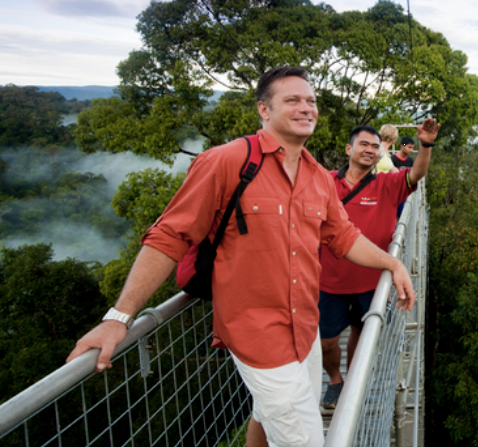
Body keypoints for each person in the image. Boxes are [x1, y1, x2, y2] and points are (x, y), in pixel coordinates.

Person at [66, 67, 416, 447]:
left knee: (267, 415)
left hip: (305, 329)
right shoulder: (229, 161)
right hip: (258, 335)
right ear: (264, 110)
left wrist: (393, 263)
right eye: (292, 100)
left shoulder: (317, 176)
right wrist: (119, 318)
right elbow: (169, 236)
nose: (306, 108)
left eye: (311, 101)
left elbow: (344, 236)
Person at [318, 119, 438, 409]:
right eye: (363, 144)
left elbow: (418, 173)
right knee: (326, 341)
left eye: (375, 146)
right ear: (349, 149)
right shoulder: (324, 183)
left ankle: (352, 380)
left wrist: (426, 145)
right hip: (329, 281)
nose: (370, 150)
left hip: (372, 281)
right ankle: (334, 379)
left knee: (362, 330)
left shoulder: (388, 184)